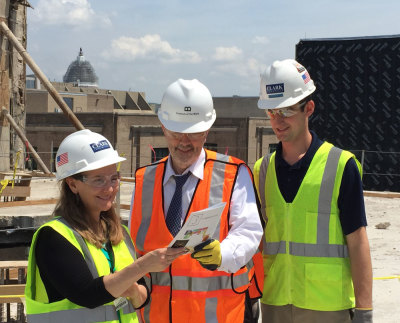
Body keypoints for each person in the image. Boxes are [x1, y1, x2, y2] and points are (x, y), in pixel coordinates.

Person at [129, 79, 264, 323]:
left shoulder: (234, 173)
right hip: (157, 317)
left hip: (217, 316)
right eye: (176, 132)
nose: (184, 141)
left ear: (207, 130)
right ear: (162, 127)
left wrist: (223, 253)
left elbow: (249, 232)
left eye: (194, 133)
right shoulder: (144, 179)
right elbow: (133, 247)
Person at [253, 59, 373, 323]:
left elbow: (358, 241)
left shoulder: (341, 166)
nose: (277, 121)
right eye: (271, 112)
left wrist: (365, 311)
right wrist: (251, 296)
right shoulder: (261, 171)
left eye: (286, 111)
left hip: (328, 307)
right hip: (274, 304)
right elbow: (257, 242)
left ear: (309, 108)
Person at [25, 129, 186, 323]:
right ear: (73, 184)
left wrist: (134, 290)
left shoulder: (119, 234)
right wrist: (143, 265)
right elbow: (88, 294)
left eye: (113, 178)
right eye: (98, 180)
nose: (109, 188)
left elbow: (141, 297)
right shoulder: (54, 238)